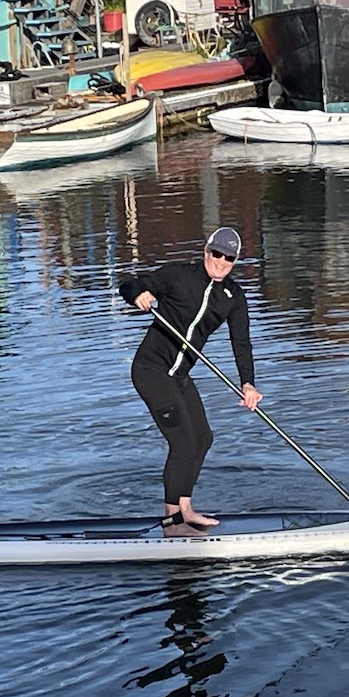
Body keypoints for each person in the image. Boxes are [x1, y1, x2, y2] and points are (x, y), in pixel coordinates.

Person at [119, 227, 263, 537]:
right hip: (151, 371)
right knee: (182, 442)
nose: (222, 262)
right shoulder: (177, 276)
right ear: (206, 251)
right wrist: (138, 295)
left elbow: (242, 342)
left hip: (179, 375)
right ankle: (172, 524)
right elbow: (129, 284)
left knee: (203, 438)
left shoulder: (233, 297)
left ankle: (185, 509)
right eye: (218, 254)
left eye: (230, 258)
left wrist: (248, 384)